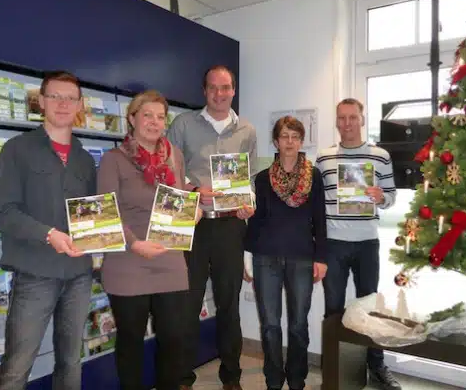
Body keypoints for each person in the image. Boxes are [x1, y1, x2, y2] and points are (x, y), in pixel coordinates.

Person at [0, 71, 97, 390]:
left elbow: (91, 213)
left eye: (71, 98)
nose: (63, 104)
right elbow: (4, 213)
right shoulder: (17, 149)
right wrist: (48, 233)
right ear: (41, 101)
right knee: (17, 365)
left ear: (79, 104)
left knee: (70, 361)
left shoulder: (84, 158)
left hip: (79, 273)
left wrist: (98, 238)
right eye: (55, 96)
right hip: (35, 273)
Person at [97, 90, 200, 390]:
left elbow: (179, 197)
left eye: (160, 117)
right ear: (132, 119)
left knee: (174, 341)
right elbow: (107, 212)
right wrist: (135, 244)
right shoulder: (112, 160)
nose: (155, 122)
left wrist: (193, 214)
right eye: (147, 115)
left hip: (170, 262)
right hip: (128, 264)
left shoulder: (174, 156)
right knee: (130, 343)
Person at [167, 65, 257, 390]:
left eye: (226, 87)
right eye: (213, 88)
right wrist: (193, 191)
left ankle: (231, 377)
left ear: (233, 90)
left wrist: (250, 203)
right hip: (193, 225)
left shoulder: (246, 129)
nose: (220, 94)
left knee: (229, 305)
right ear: (204, 91)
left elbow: (247, 180)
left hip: (231, 227)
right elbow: (167, 172)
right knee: (186, 306)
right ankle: (182, 378)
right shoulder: (182, 125)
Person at [316, 98, 401, 390]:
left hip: (367, 243)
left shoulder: (380, 155)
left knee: (370, 309)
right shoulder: (324, 157)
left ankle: (376, 367)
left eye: (352, 117)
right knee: (333, 309)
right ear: (336, 121)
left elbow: (391, 196)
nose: (347, 124)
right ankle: (335, 369)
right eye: (341, 118)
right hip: (334, 244)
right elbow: (317, 201)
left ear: (362, 119)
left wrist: (381, 197)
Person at [244, 116, 327, 390]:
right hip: (265, 257)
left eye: (294, 136)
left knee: (298, 325)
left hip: (302, 256)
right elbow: (255, 222)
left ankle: (296, 379)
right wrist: (247, 256)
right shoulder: (262, 179)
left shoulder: (313, 176)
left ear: (301, 141)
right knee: (270, 325)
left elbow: (320, 219)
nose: (289, 142)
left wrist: (322, 257)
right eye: (284, 136)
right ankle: (273, 380)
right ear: (276, 141)